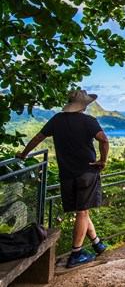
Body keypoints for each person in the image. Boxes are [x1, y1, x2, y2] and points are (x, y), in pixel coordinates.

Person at [16, 90, 109, 268]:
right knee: (83, 212)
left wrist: (24, 154)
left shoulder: (57, 120)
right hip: (87, 172)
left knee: (82, 210)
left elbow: (38, 137)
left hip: (66, 174)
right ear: (84, 105)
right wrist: (102, 161)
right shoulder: (89, 121)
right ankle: (76, 254)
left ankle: (97, 244)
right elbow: (103, 140)